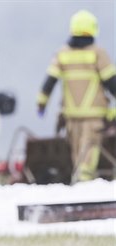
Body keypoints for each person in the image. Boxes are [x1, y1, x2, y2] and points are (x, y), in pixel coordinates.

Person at [37, 9, 116, 183]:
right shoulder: (98, 53)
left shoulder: (62, 54)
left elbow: (49, 82)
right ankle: (84, 189)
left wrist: (41, 104)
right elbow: (112, 83)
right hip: (94, 116)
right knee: (88, 155)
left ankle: (79, 184)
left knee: (77, 154)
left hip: (71, 116)